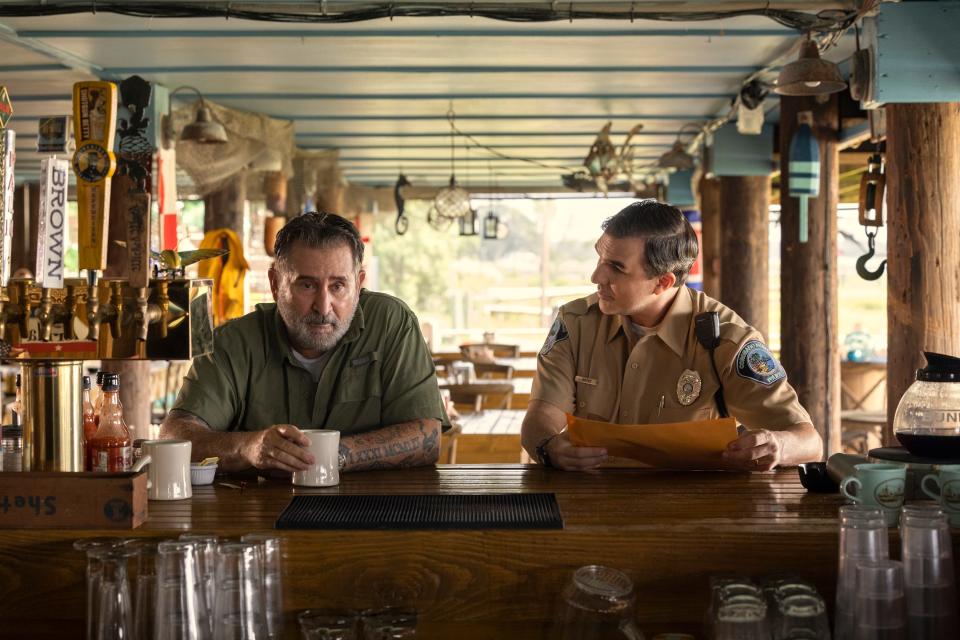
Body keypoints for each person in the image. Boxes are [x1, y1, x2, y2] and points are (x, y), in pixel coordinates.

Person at [520, 200, 822, 472]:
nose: (596, 277)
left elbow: (809, 441)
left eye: (616, 268)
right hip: (589, 504)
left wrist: (776, 445)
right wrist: (549, 448)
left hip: (692, 515)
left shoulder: (726, 339)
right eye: (600, 258)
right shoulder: (576, 324)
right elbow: (541, 416)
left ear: (662, 282)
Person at [161, 212, 447, 475]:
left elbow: (429, 437)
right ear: (275, 284)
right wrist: (248, 447)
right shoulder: (233, 342)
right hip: (261, 520)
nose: (323, 307)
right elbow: (174, 436)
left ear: (358, 285)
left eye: (338, 286)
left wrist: (334, 455)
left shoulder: (391, 323)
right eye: (306, 285)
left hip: (377, 513)